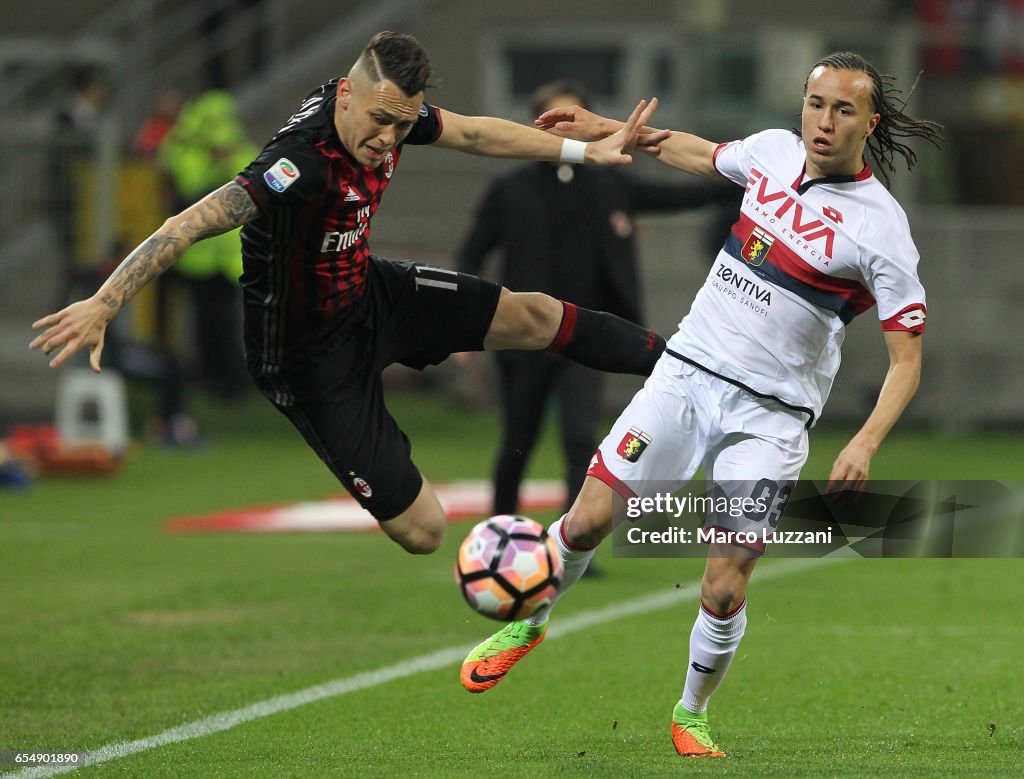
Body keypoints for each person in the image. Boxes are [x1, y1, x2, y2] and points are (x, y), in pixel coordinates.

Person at [460, 51, 941, 760]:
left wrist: (864, 441)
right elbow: (700, 154)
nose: (825, 121)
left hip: (772, 416)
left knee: (723, 583)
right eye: (815, 104)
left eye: (844, 109)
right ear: (801, 106)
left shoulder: (883, 230)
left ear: (869, 121)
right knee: (590, 514)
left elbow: (908, 360)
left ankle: (692, 712)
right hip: (686, 375)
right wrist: (607, 129)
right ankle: (531, 619)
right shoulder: (772, 153)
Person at [30, 31, 669, 556]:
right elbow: (190, 222)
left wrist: (585, 150)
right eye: (379, 121)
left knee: (536, 313)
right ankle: (381, 446)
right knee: (423, 531)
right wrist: (106, 301)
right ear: (345, 94)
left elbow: (474, 135)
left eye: (402, 124)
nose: (388, 138)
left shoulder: (389, 109)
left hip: (369, 293)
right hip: (307, 358)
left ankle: (686, 363)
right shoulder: (298, 164)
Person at [456, 79, 738, 520]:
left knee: (579, 436)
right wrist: (462, 326)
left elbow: (680, 195)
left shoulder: (609, 183)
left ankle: (572, 542)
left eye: (574, 119)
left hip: (585, 336)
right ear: (536, 125)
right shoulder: (511, 188)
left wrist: (750, 181)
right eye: (555, 120)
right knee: (517, 439)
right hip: (522, 335)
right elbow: (471, 253)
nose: (566, 131)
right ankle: (502, 534)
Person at [158, 90, 258, 399]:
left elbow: (253, 188)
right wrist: (216, 164)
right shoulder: (185, 153)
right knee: (203, 323)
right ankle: (208, 379)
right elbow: (190, 193)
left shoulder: (243, 151)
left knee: (229, 323)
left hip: (228, 258)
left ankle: (232, 383)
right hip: (196, 255)